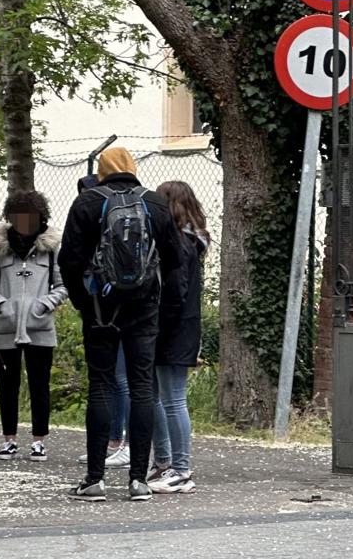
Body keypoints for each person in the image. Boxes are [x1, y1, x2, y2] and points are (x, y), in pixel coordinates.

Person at [60, 147, 182, 501]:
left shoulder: (88, 202)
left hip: (100, 308)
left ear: (102, 170)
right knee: (143, 387)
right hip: (144, 308)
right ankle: (139, 481)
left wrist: (83, 302)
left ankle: (95, 479)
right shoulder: (155, 202)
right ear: (132, 168)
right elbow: (175, 258)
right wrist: (158, 301)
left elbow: (69, 260)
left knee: (101, 386)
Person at [0, 190, 67, 462]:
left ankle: (39, 441)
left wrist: (44, 304)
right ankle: (9, 440)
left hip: (40, 328)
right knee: (8, 385)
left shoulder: (51, 250)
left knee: (40, 386)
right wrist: (1, 304)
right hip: (5, 328)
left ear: (41, 217)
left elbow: (63, 286)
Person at [148, 181, 209, 494]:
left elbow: (175, 290)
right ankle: (165, 463)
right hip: (179, 325)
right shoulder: (190, 241)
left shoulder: (179, 243)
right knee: (160, 397)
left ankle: (180, 468)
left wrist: (157, 324)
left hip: (172, 327)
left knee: (171, 399)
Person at [75, 173, 132, 471]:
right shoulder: (125, 213)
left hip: (107, 306)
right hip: (110, 305)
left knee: (117, 381)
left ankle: (116, 445)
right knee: (109, 381)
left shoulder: (110, 220)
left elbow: (72, 262)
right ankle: (109, 444)